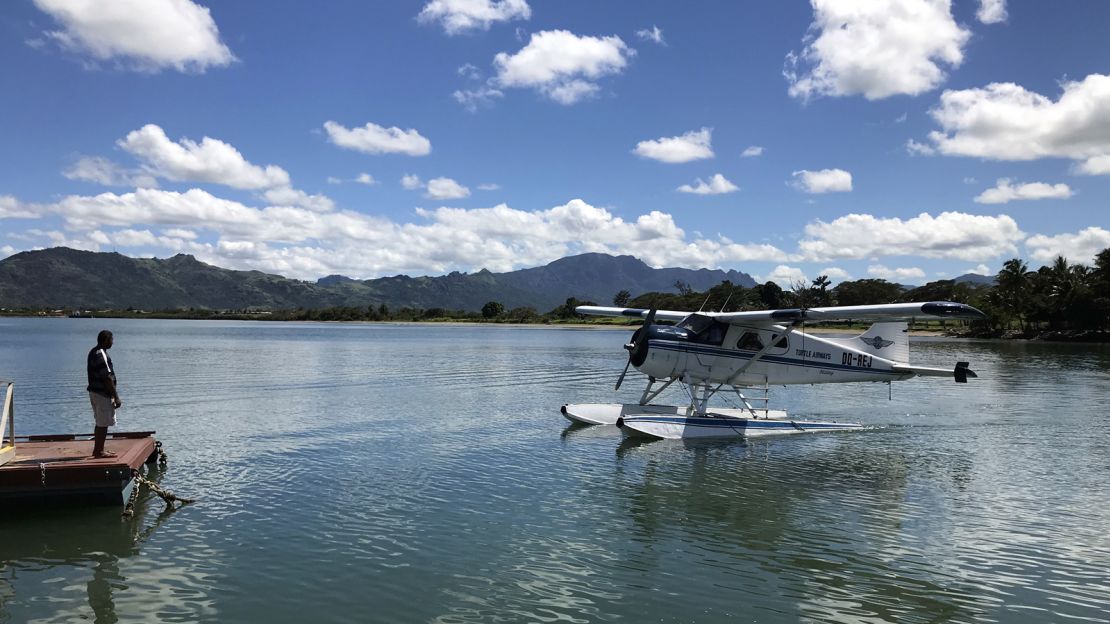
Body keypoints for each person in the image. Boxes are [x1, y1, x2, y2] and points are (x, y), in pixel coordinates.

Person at [87, 330, 121, 458]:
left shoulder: (93, 351)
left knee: (100, 422)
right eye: (112, 339)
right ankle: (99, 451)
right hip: (101, 394)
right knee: (103, 423)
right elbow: (107, 377)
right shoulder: (101, 354)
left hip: (95, 392)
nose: (113, 342)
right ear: (106, 340)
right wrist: (116, 397)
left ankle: (99, 449)